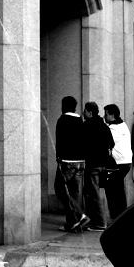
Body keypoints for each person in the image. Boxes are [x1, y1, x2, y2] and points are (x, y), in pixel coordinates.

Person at [54, 96, 89, 232]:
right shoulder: (80, 120)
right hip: (80, 162)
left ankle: (76, 217)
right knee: (75, 192)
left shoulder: (62, 120)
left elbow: (59, 141)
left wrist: (59, 157)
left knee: (60, 188)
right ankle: (75, 221)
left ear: (63, 106)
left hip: (67, 161)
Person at [81, 101, 114, 231]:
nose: (83, 113)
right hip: (103, 164)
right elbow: (111, 143)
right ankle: (95, 220)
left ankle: (100, 222)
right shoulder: (104, 126)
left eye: (85, 111)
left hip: (92, 164)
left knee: (93, 193)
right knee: (95, 193)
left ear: (89, 112)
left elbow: (82, 145)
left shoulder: (86, 125)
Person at [104, 104, 133, 220]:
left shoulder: (112, 129)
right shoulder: (123, 125)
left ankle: (116, 218)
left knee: (112, 192)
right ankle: (122, 216)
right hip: (126, 162)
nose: (104, 116)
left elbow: (107, 145)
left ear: (112, 115)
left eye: (105, 114)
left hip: (118, 163)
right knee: (119, 190)